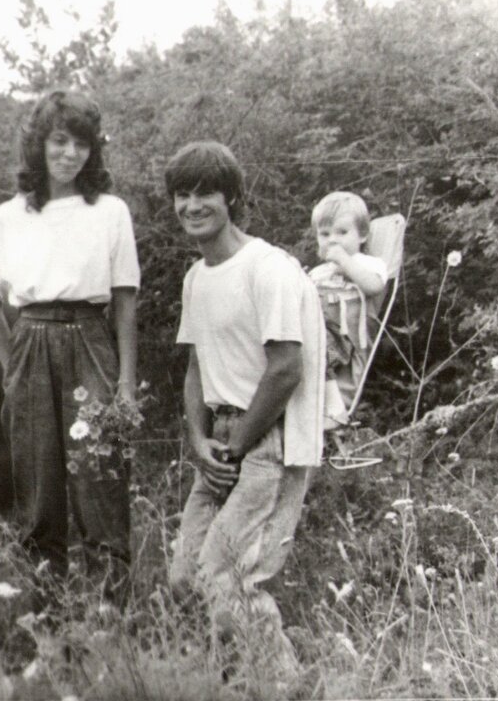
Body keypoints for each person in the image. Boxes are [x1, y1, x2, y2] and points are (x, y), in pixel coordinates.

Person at [0, 89, 140, 612]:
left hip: (91, 340)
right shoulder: (7, 217)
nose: (70, 154)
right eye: (59, 141)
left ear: (94, 152)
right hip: (30, 342)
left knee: (100, 483)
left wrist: (126, 382)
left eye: (82, 145)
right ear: (38, 146)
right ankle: (49, 625)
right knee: (38, 492)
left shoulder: (109, 211)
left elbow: (125, 300)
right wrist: (12, 374)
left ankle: (108, 621)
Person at [163, 141, 325, 672]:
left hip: (264, 440)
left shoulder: (267, 267)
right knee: (185, 575)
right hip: (220, 442)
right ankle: (245, 676)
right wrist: (197, 439)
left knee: (226, 576)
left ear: (231, 197)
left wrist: (239, 442)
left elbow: (285, 368)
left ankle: (285, 685)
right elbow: (195, 368)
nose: (192, 206)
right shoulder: (195, 277)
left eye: (205, 192)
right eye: (181, 195)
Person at [308, 191, 387, 427]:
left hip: (346, 338)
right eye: (325, 234)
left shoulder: (366, 263)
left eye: (342, 232)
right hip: (317, 335)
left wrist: (345, 262)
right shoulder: (318, 272)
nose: (333, 240)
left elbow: (374, 287)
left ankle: (335, 408)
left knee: (314, 339)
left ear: (362, 235)